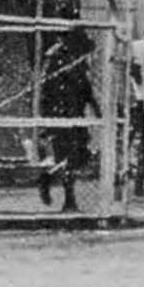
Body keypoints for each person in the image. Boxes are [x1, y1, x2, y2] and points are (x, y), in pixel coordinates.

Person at [36, 27, 100, 212]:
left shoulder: (78, 56)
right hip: (60, 113)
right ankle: (69, 200)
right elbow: (46, 86)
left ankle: (47, 177)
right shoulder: (54, 56)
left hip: (76, 112)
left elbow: (85, 85)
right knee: (67, 156)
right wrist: (46, 117)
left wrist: (96, 110)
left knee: (81, 155)